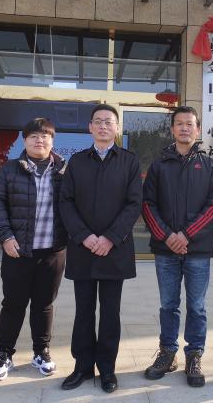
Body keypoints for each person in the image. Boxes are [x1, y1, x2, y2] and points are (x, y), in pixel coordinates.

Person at [59, 104, 142, 393]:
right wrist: (84, 236)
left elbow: (134, 203)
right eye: (98, 121)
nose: (103, 126)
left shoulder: (129, 161)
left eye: (109, 122)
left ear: (117, 128)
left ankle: (107, 369)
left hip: (114, 250)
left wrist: (110, 238)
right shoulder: (77, 161)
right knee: (83, 311)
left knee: (110, 313)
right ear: (90, 128)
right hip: (83, 249)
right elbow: (65, 201)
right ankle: (82, 367)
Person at [141, 105, 213, 387]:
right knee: (168, 304)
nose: (185, 128)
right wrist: (168, 237)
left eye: (190, 124)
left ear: (198, 129)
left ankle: (194, 355)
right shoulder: (159, 165)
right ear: (172, 129)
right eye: (179, 123)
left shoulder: (211, 166)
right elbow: (147, 204)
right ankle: (167, 352)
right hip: (165, 250)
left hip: (197, 250)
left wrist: (186, 235)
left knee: (197, 306)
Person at [0, 118, 68, 381]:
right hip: (17, 251)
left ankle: (41, 352)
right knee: (13, 304)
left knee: (44, 305)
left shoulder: (64, 171)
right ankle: (4, 354)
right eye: (33, 136)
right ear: (25, 140)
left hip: (53, 252)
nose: (39, 140)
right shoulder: (10, 169)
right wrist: (5, 237)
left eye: (45, 136)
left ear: (52, 141)